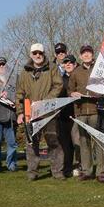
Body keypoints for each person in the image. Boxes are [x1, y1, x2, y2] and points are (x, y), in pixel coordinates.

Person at [15, 43, 65, 181]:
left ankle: (57, 171)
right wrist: (20, 112)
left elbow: (58, 85)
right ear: (31, 55)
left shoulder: (52, 68)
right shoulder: (24, 73)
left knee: (53, 141)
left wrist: (45, 102)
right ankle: (32, 172)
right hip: (30, 113)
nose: (37, 55)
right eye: (35, 53)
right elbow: (19, 94)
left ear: (44, 54)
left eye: (40, 53)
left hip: (49, 112)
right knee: (32, 143)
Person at [69, 44, 104, 182]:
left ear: (92, 55)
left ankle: (101, 172)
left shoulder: (100, 69)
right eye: (84, 53)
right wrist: (72, 93)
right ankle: (87, 171)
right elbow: (70, 90)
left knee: (99, 141)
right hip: (80, 111)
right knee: (84, 142)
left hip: (96, 111)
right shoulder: (75, 72)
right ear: (80, 56)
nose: (86, 55)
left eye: (89, 53)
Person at [58, 54, 78, 176]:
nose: (68, 64)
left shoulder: (79, 76)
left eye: (70, 62)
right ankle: (67, 167)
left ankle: (79, 166)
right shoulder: (60, 80)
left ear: (75, 64)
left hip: (77, 114)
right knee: (65, 144)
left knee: (77, 142)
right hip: (63, 115)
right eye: (66, 63)